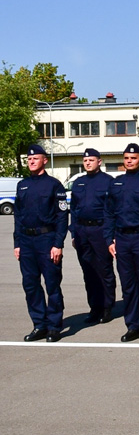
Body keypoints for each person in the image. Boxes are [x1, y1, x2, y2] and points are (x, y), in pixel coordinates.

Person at [14, 144, 69, 342]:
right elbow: (18, 216)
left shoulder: (54, 185)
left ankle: (54, 326)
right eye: (29, 159)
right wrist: (17, 243)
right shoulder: (22, 185)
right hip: (27, 242)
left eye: (35, 158)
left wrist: (58, 244)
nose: (31, 161)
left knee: (52, 284)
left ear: (44, 160)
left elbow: (62, 216)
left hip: (47, 240)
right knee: (30, 285)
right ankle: (39, 324)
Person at [105, 143, 139, 343]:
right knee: (127, 285)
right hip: (122, 239)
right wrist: (109, 239)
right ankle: (132, 325)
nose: (129, 161)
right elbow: (108, 213)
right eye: (126, 158)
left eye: (133, 158)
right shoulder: (116, 183)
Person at [69, 148, 116, 324]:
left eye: (91, 160)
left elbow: (112, 210)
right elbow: (73, 209)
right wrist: (74, 232)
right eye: (85, 160)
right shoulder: (78, 182)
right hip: (82, 231)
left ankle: (107, 306)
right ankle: (94, 307)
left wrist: (111, 235)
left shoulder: (108, 182)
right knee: (88, 270)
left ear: (99, 161)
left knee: (104, 269)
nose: (88, 163)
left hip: (100, 230)